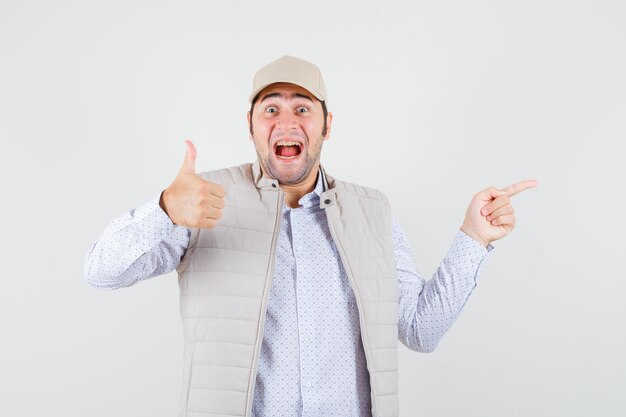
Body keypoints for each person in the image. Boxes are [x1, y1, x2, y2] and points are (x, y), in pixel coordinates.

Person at [84, 55, 537, 417]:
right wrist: (163, 209)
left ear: (327, 124)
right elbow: (102, 272)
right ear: (250, 125)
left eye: (302, 108)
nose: (287, 121)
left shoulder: (372, 212)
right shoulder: (201, 200)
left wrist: (473, 239)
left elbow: (420, 329)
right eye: (271, 109)